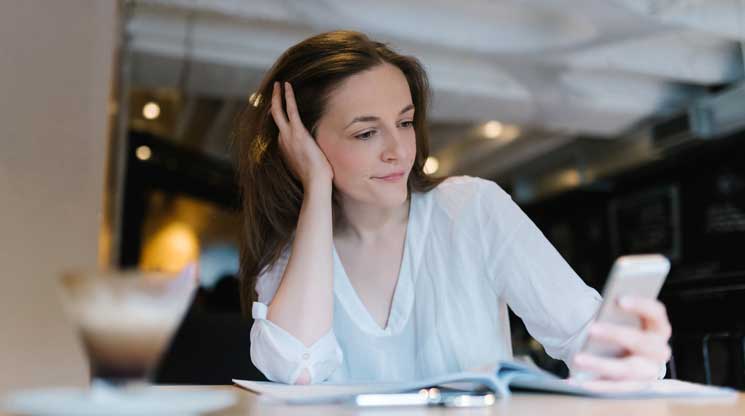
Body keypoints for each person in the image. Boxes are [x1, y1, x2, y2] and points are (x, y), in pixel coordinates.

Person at [234, 30, 672, 385]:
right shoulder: (294, 250)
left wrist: (631, 357)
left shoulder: (472, 209)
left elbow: (587, 339)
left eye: (404, 122)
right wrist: (315, 187)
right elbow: (299, 371)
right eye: (366, 133)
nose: (398, 150)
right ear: (302, 145)